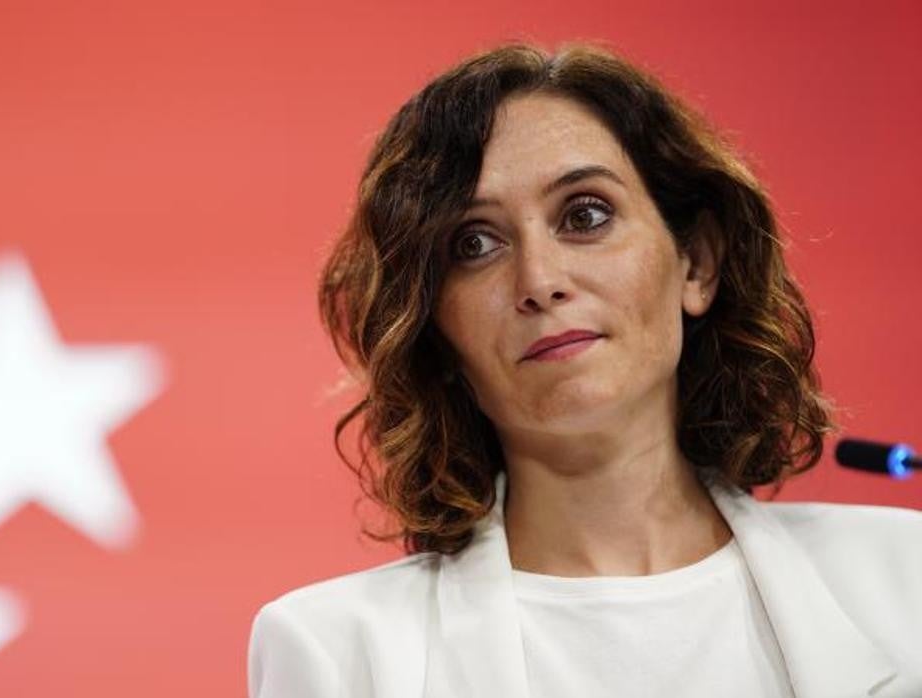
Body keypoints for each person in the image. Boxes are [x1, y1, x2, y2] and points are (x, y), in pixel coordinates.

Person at [247, 41, 922, 698]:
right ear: (435, 331)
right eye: (475, 243)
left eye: (585, 215)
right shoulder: (337, 655)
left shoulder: (905, 584)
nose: (539, 281)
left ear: (696, 263)